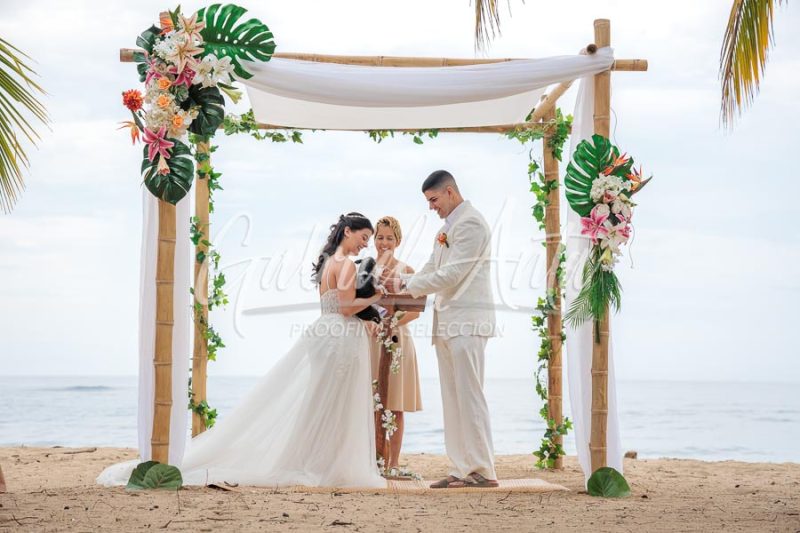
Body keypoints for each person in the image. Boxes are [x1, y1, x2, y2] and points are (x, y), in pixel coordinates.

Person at [98, 212, 386, 489]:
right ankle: (327, 464)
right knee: (335, 403)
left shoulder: (326, 263)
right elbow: (347, 307)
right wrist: (376, 296)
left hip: (324, 332)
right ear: (347, 232)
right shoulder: (346, 265)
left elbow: (333, 303)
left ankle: (316, 460)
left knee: (320, 401)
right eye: (363, 237)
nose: (365, 244)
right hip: (339, 336)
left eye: (368, 240)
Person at [382, 170, 499, 489]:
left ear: (450, 192)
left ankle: (482, 469)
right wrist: (402, 281)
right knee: (453, 396)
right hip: (447, 323)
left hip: (468, 321)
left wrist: (406, 284)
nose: (431, 207)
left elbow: (453, 274)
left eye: (433, 200)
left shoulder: (472, 223)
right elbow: (434, 268)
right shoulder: (445, 230)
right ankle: (462, 467)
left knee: (470, 395)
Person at [369, 216, 423, 472]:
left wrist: (392, 321)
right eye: (380, 237)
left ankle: (394, 462)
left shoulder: (407, 271)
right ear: (374, 239)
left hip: (397, 339)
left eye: (390, 238)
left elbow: (415, 311)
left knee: (396, 404)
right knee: (372, 402)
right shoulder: (366, 270)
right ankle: (376, 458)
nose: (384, 242)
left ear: (398, 241)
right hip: (371, 341)